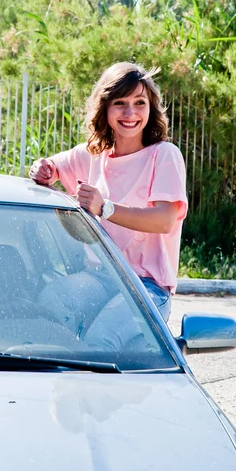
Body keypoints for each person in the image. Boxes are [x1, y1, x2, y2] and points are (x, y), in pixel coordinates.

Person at [29, 62, 188, 321]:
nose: (130, 112)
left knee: (103, 340)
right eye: (119, 103)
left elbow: (164, 220)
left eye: (139, 103)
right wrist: (42, 168)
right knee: (50, 303)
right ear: (105, 107)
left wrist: (105, 208)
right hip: (98, 279)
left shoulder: (164, 155)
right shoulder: (91, 155)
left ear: (151, 108)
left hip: (145, 286)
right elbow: (50, 167)